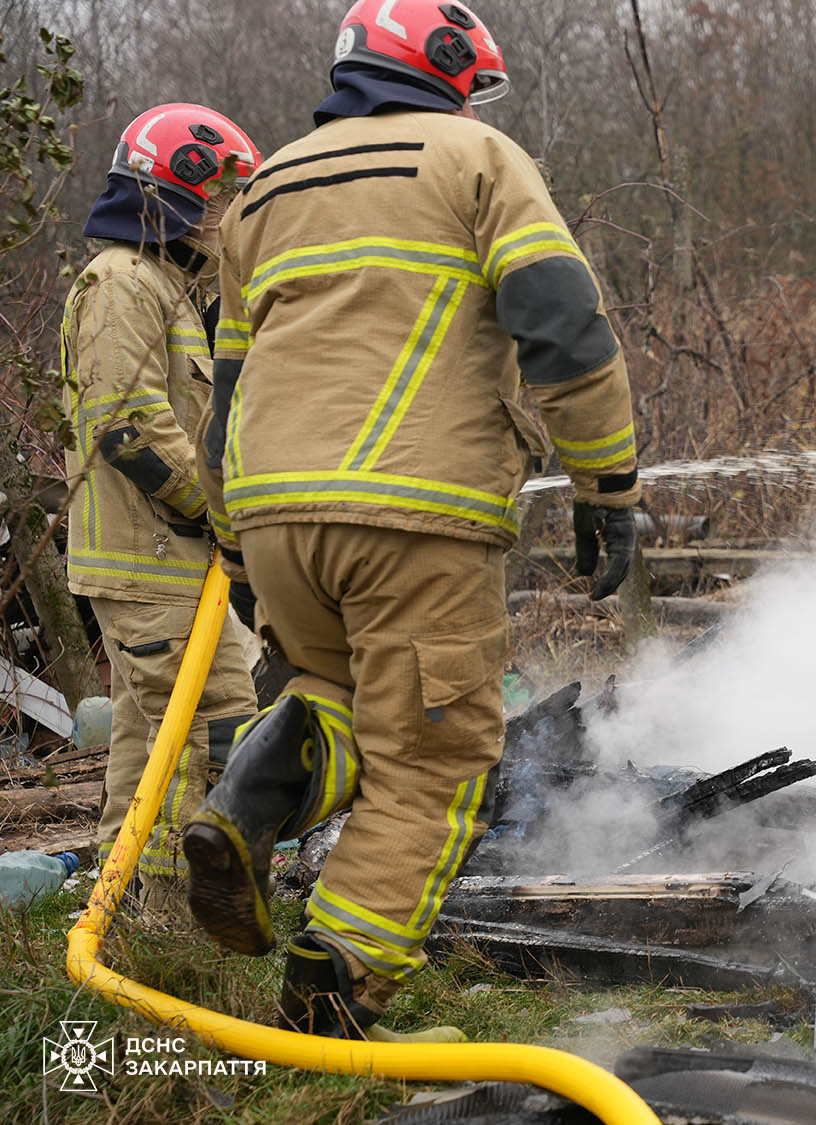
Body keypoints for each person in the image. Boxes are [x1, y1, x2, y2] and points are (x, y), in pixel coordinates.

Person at [184, 0, 640, 1039]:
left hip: (272, 516)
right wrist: (607, 484)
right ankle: (333, 1000)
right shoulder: (475, 155)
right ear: (443, 66)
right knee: (437, 763)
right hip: (415, 515)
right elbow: (562, 323)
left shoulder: (263, 193)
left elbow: (225, 394)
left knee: (331, 693)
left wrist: (234, 545)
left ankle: (246, 810)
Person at [61, 104, 262, 911]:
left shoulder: (169, 291)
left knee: (147, 748)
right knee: (217, 731)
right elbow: (127, 425)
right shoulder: (121, 283)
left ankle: (123, 911)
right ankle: (186, 927)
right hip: (151, 567)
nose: (228, 214)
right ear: (176, 189)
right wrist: (221, 511)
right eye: (221, 194)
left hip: (166, 565)